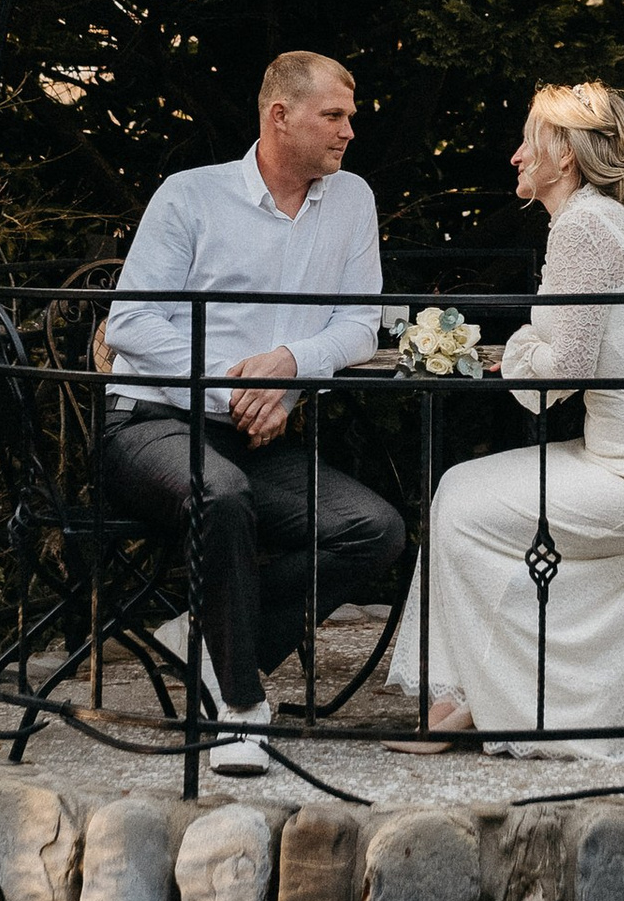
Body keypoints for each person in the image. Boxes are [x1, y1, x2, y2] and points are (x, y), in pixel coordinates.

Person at [99, 51, 405, 774]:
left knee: (378, 530)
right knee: (223, 492)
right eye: (333, 116)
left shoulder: (352, 200)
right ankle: (239, 706)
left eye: (349, 117)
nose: (348, 132)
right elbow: (130, 323)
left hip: (254, 433)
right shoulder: (190, 197)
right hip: (150, 420)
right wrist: (233, 393)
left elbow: (361, 324)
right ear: (280, 116)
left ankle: (205, 635)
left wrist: (291, 368)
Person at [392, 83, 624, 757]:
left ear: (562, 154)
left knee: (458, 505)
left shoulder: (584, 227)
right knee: (459, 488)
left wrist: (517, 351)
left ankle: (478, 698)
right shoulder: (606, 220)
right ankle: (472, 692)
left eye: (529, 141)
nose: (514, 156)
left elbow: (557, 376)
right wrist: (524, 350)